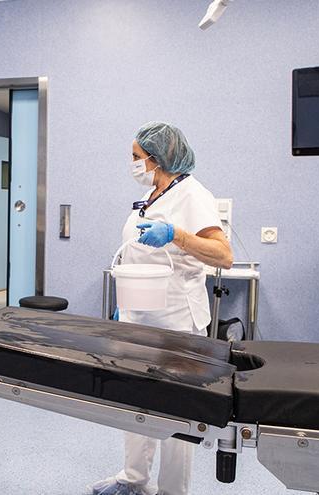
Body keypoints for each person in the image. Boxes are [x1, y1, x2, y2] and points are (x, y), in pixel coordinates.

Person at [87, 122, 233, 495]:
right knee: (134, 400)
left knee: (174, 409)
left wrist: (177, 235)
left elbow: (223, 255)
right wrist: (125, 308)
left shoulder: (193, 194)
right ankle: (133, 479)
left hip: (176, 321)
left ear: (158, 157)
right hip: (139, 318)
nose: (133, 164)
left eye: (137, 157)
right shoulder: (153, 194)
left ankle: (172, 491)